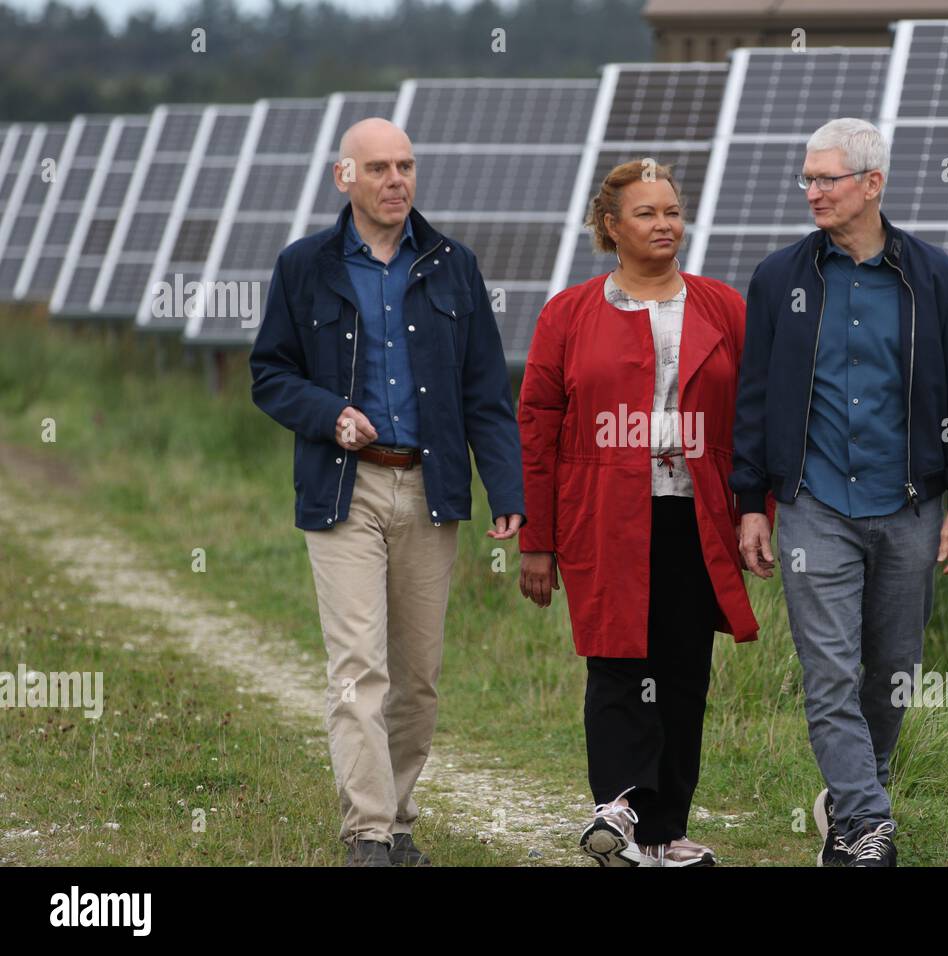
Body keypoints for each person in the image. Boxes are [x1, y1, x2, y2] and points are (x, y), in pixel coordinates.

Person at [249, 118, 524, 867]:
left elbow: (484, 390)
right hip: (345, 490)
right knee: (358, 666)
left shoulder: (453, 265)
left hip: (431, 487)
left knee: (419, 677)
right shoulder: (304, 266)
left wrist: (505, 485)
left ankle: (399, 819)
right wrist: (326, 414)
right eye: (378, 168)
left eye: (404, 165)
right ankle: (368, 832)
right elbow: (269, 374)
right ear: (345, 177)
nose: (395, 180)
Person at [730, 117, 948, 867]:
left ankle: (849, 808)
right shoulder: (780, 278)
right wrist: (752, 498)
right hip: (813, 505)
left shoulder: (935, 278)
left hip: (910, 505)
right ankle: (872, 824)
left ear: (871, 184)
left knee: (894, 672)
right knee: (830, 670)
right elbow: (755, 397)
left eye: (826, 180)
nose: (811, 192)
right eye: (806, 179)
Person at [518, 159, 765, 867]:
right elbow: (536, 426)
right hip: (602, 513)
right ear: (611, 226)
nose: (665, 225)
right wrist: (538, 539)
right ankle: (617, 807)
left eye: (673, 211)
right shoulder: (568, 313)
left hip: (696, 514)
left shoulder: (722, 308)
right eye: (647, 213)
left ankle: (663, 832)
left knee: (685, 667)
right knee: (619, 658)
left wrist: (756, 511)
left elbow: (754, 422)